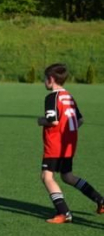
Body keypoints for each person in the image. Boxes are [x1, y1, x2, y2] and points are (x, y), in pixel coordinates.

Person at [37, 63, 104, 223]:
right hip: (69, 143)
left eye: (45, 78)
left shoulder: (52, 97)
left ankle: (64, 213)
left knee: (47, 176)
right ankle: (100, 200)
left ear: (51, 79)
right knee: (67, 176)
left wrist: (41, 121)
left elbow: (53, 121)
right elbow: (80, 120)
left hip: (55, 144)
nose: (44, 81)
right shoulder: (68, 96)